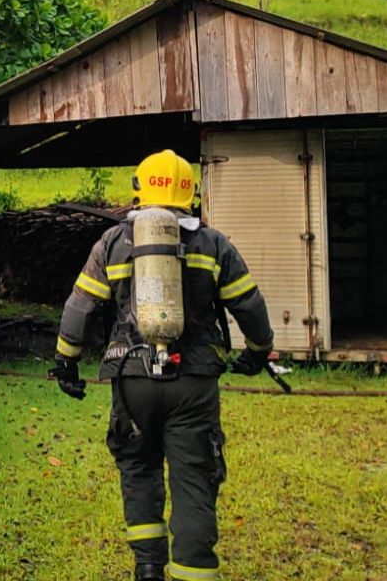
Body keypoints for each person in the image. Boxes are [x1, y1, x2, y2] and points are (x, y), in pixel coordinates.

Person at [48, 149, 276, 581]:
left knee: (138, 467)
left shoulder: (114, 243)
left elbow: (80, 306)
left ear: (139, 189)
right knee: (193, 477)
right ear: (189, 192)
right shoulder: (213, 244)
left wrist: (66, 362)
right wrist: (259, 350)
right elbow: (249, 304)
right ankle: (193, 571)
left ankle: (148, 567)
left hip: (132, 380)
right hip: (193, 382)